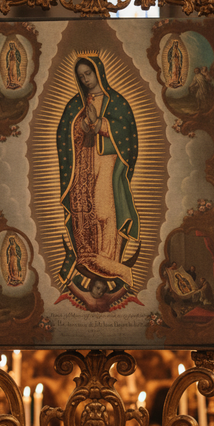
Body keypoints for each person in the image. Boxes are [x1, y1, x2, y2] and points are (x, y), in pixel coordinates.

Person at [56, 55, 140, 295]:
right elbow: (65, 135)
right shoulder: (76, 104)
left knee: (105, 210)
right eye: (81, 76)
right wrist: (80, 127)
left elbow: (128, 138)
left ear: (98, 72)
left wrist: (101, 123)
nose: (85, 79)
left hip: (107, 162)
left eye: (88, 74)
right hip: (83, 166)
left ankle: (108, 259)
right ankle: (92, 256)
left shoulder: (118, 103)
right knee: (87, 211)